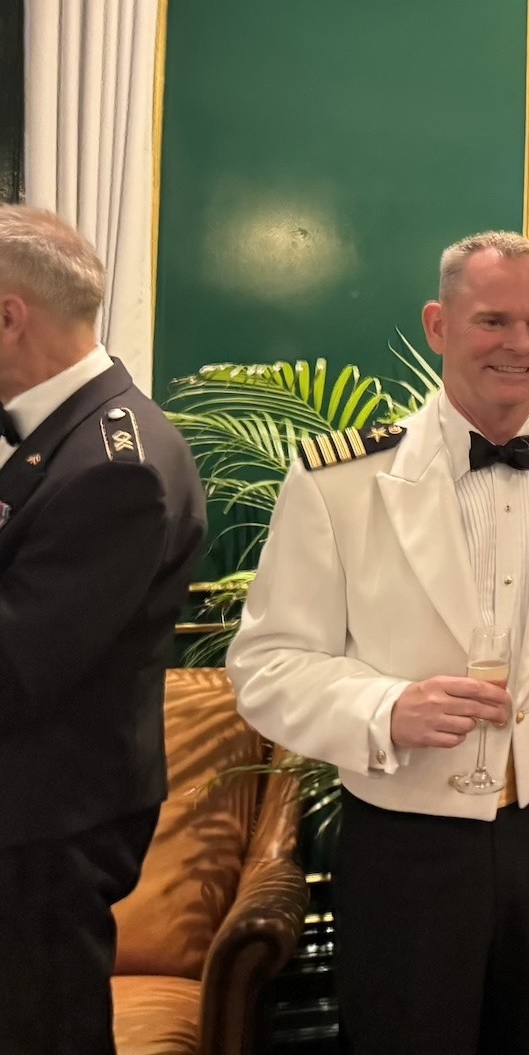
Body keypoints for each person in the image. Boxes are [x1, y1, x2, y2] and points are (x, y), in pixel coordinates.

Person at [227, 232, 529, 1055]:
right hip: (406, 833)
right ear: (438, 325)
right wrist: (386, 708)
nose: (521, 344)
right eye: (493, 321)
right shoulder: (339, 480)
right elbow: (265, 665)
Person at [0, 206, 206, 1055]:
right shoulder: (66, 436)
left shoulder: (115, 467)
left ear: (9, 316)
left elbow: (16, 668)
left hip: (42, 828)